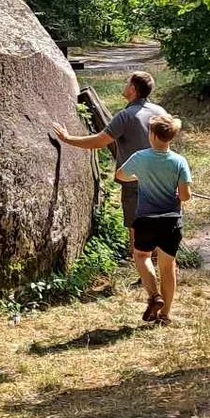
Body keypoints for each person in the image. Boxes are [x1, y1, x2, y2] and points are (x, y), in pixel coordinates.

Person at [52, 71, 168, 252]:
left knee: (138, 233)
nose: (124, 85)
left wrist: (67, 139)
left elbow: (99, 141)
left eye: (126, 82)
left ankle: (145, 276)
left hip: (135, 181)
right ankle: (163, 271)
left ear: (133, 88)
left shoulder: (127, 115)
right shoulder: (160, 112)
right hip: (162, 179)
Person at [115, 114, 192, 326]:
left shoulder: (140, 157)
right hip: (171, 220)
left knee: (141, 255)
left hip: (146, 219)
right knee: (168, 267)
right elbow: (185, 196)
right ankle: (165, 315)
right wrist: (177, 191)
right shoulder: (179, 161)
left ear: (152, 134)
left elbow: (121, 175)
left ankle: (153, 296)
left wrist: (138, 176)